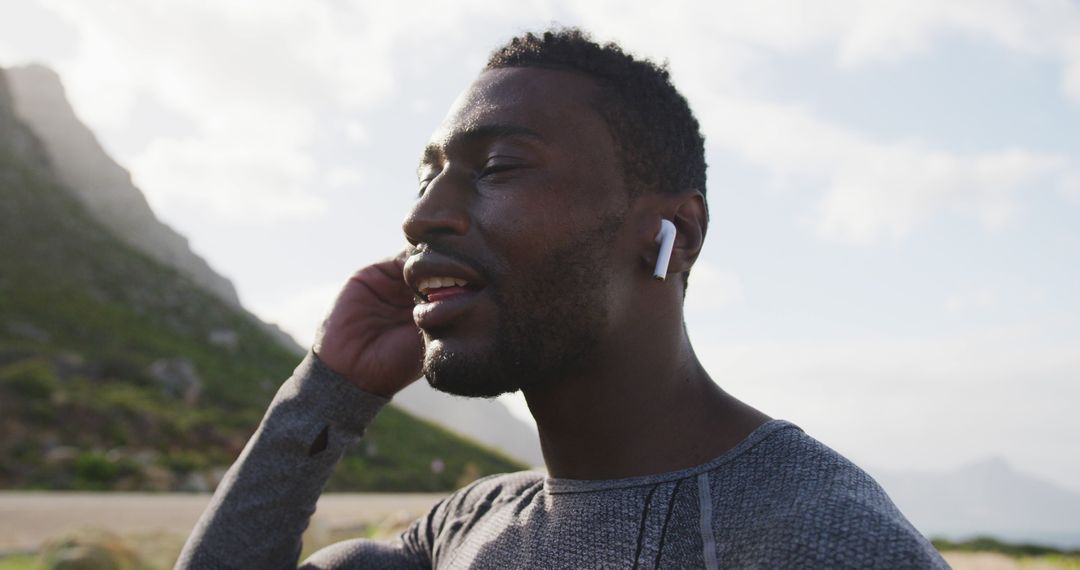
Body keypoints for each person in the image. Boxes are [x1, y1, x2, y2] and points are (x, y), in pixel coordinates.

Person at [176, 28, 948, 569]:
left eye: (500, 165)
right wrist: (327, 392)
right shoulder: (465, 528)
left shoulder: (815, 539)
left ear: (669, 230)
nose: (421, 216)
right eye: (427, 176)